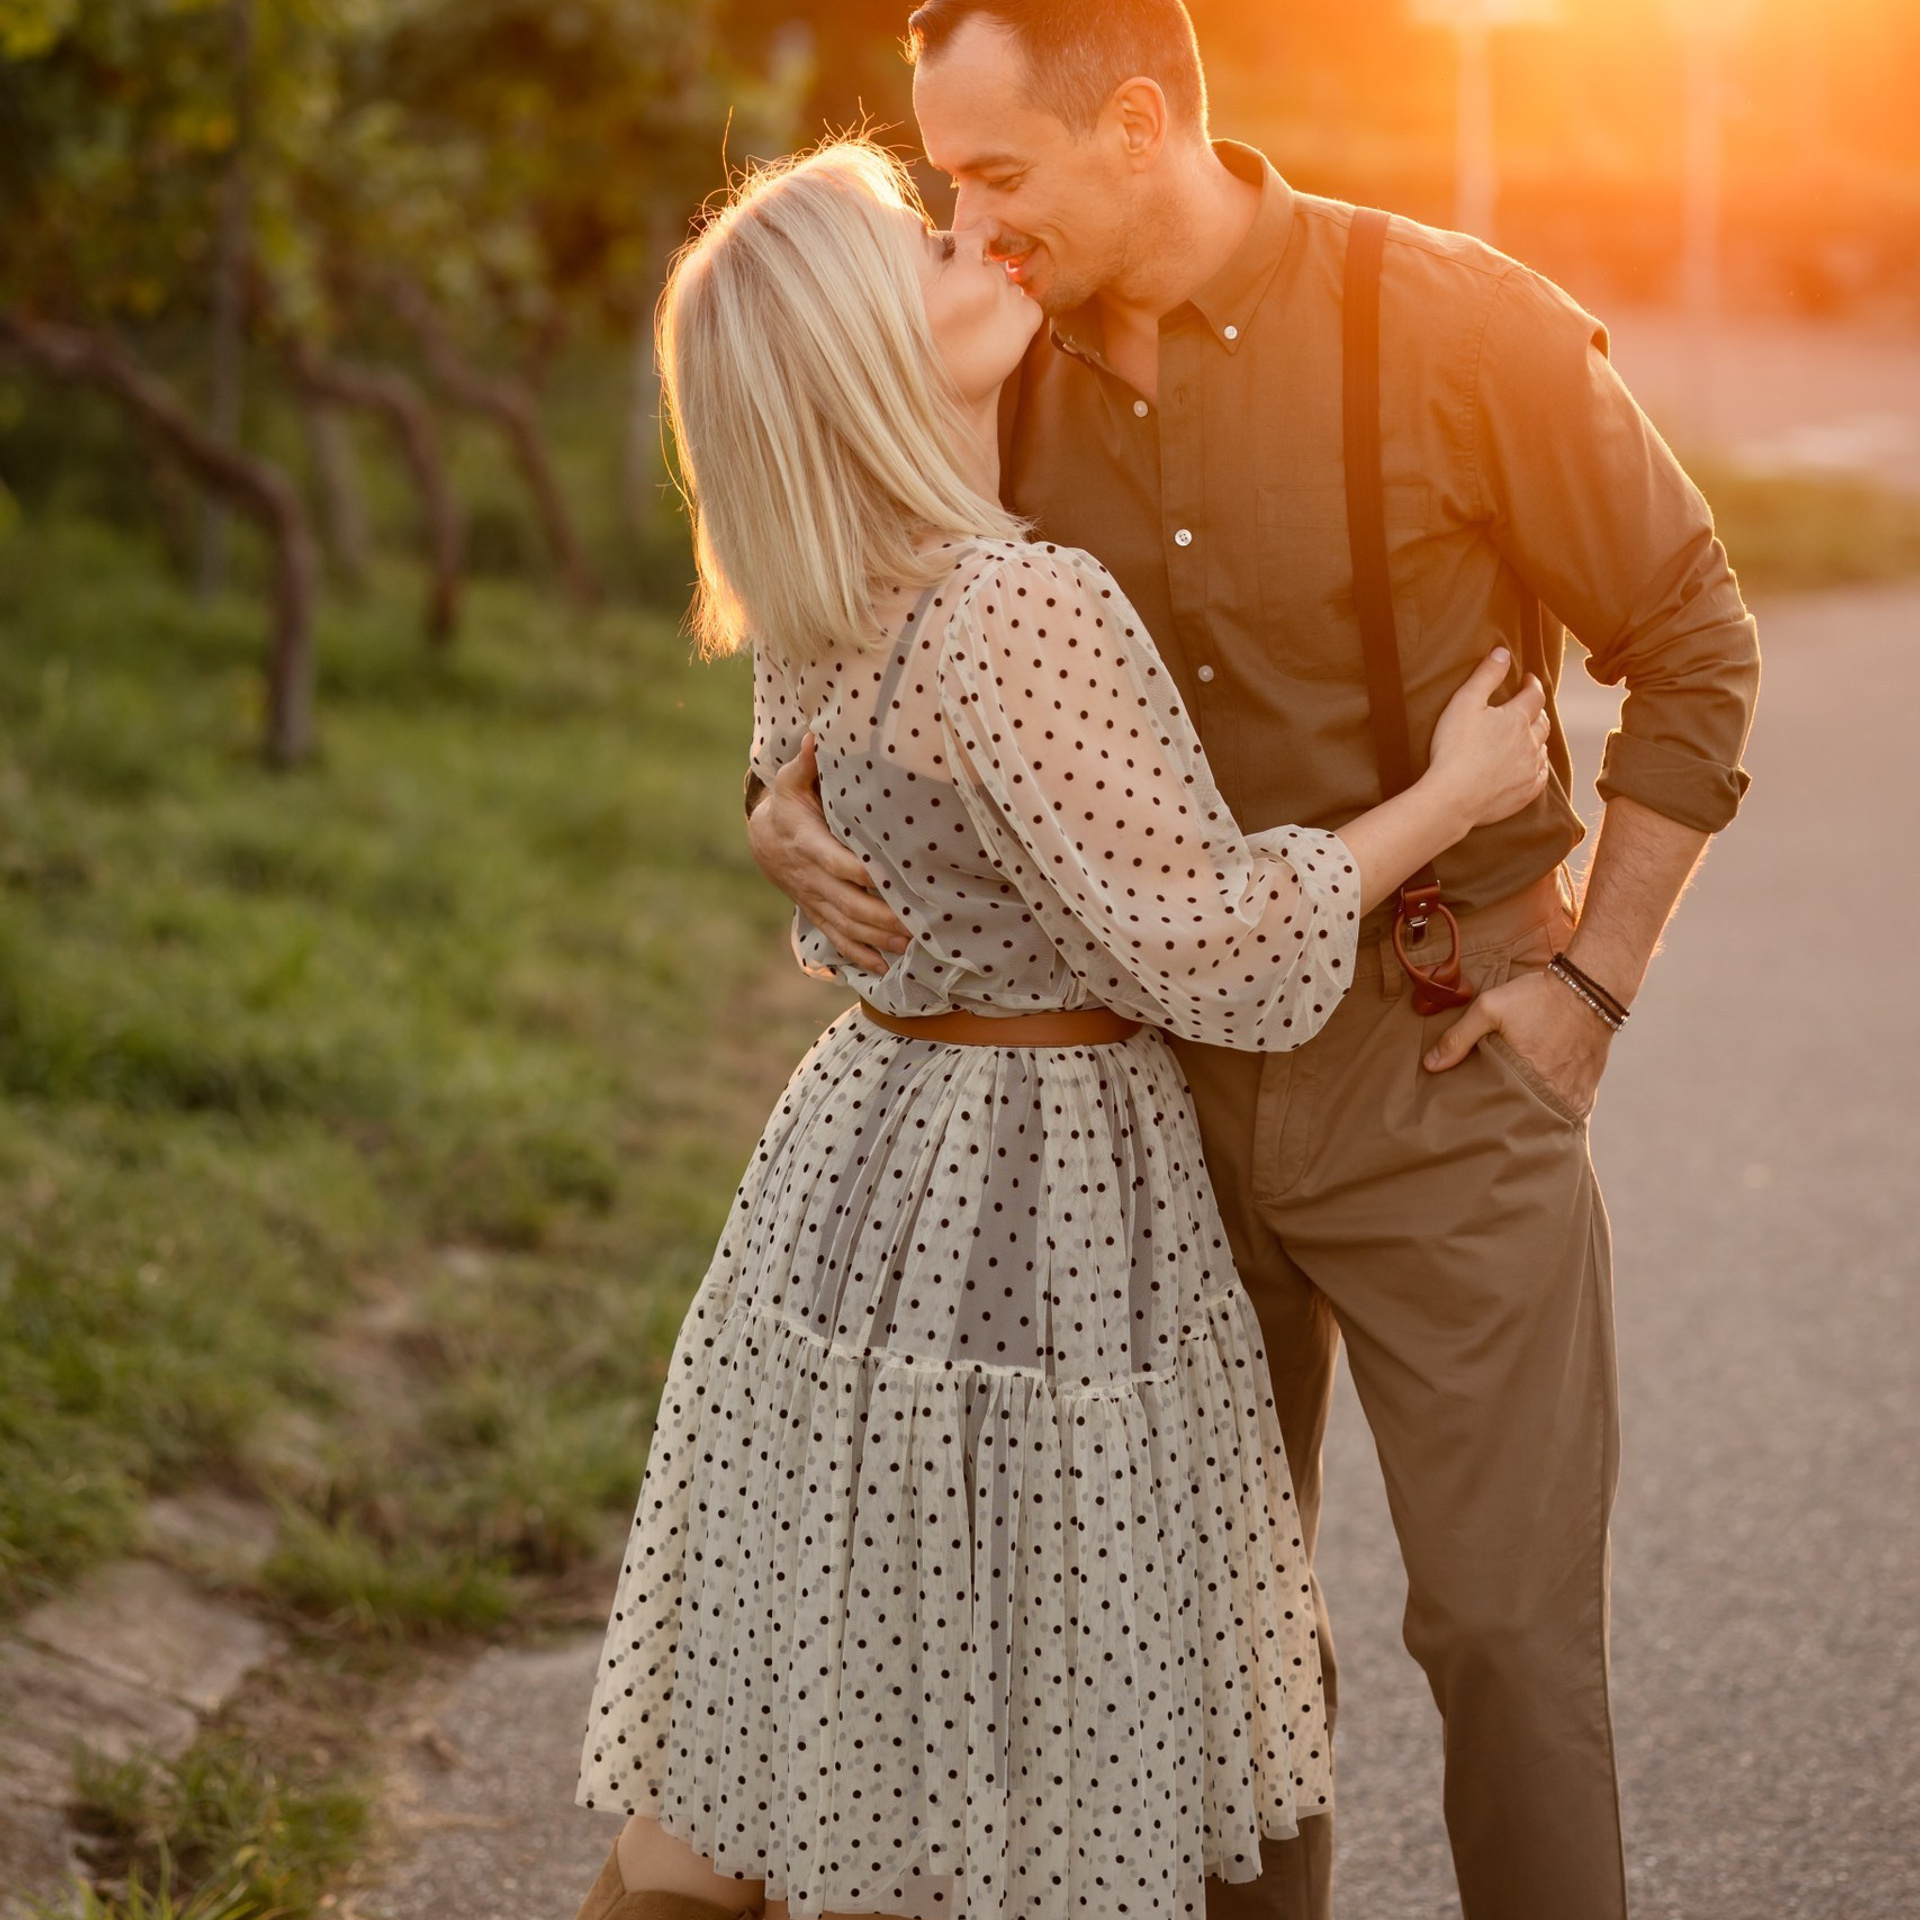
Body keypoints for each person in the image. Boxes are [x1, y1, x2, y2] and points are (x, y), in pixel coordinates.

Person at [746, 6, 1762, 1920]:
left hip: (1440, 1055)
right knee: (1217, 1660)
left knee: (1505, 1637)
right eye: (949, 183)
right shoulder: (990, 356)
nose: (971, 226)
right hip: (1140, 1100)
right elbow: (854, 588)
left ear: (1136, 125)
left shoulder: (1460, 326)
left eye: (998, 175)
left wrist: (1596, 985)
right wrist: (770, 796)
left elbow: (1695, 640)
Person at [571, 138, 1552, 1920]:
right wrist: (1453, 794)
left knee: (802, 1731)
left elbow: (818, 803)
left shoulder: (825, 589)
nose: (982, 244)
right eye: (930, 252)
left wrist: (770, 819)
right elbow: (1208, 942)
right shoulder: (1016, 602)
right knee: (1016, 1738)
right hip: (1038, 1179)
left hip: (860, 1167)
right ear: (868, 351)